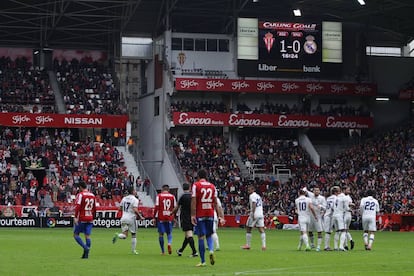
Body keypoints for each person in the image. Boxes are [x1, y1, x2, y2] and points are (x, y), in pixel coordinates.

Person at [191, 169, 225, 267]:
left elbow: (193, 201)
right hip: (210, 213)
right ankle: (210, 250)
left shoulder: (196, 185)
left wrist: (193, 215)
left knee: (200, 237)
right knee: (209, 235)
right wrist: (219, 216)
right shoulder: (212, 186)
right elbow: (215, 203)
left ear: (198, 176)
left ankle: (203, 261)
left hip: (200, 213)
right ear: (206, 176)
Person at [112, 186, 144, 254]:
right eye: (135, 190)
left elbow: (119, 209)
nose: (135, 191)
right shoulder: (135, 199)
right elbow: (135, 209)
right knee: (133, 234)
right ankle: (133, 251)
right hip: (131, 218)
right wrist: (140, 216)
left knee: (125, 236)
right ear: (132, 191)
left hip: (123, 218)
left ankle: (117, 235)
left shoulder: (124, 198)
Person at [171, 183, 198, 257]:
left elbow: (177, 207)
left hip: (185, 217)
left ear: (183, 188)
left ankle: (194, 252)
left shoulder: (182, 196)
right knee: (187, 235)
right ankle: (180, 250)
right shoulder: (192, 196)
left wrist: (172, 213)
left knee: (189, 234)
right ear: (189, 188)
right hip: (192, 216)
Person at [73, 181, 96, 259]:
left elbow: (78, 207)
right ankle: (86, 255)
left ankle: (85, 248)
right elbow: (94, 208)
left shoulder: (80, 195)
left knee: (76, 234)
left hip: (82, 217)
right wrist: (93, 217)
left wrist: (75, 217)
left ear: (80, 187)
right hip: (90, 217)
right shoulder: (92, 195)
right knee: (87, 236)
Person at [241, 185, 266, 251]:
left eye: (249, 190)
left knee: (248, 228)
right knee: (261, 229)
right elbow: (258, 205)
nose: (248, 191)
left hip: (255, 214)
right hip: (260, 213)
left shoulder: (252, 196)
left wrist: (253, 213)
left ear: (253, 190)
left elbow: (254, 204)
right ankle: (264, 246)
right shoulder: (258, 196)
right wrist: (250, 210)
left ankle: (248, 245)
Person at [153, 184, 176, 255]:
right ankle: (169, 243)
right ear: (168, 190)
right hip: (169, 217)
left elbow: (156, 207)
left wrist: (154, 217)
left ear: (162, 189)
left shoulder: (159, 196)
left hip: (161, 217)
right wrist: (174, 217)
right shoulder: (172, 196)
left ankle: (163, 251)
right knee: (169, 233)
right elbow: (175, 207)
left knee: (161, 234)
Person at [303, 187, 326, 251]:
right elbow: (305, 189)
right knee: (310, 231)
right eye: (315, 190)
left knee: (319, 231)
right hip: (310, 216)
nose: (316, 191)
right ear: (313, 191)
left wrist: (321, 207)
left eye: (317, 190)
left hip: (318, 216)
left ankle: (318, 246)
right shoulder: (311, 195)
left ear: (319, 191)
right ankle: (312, 243)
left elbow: (325, 207)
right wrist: (304, 191)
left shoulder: (322, 198)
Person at [332, 186, 348, 251]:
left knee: (337, 231)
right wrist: (351, 209)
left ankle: (335, 247)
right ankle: (341, 246)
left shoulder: (334, 198)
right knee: (343, 231)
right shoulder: (344, 197)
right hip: (340, 215)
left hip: (334, 215)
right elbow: (346, 208)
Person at [323, 186, 337, 251]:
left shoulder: (328, 198)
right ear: (336, 192)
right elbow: (333, 207)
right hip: (330, 216)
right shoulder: (336, 198)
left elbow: (325, 207)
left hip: (327, 215)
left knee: (328, 231)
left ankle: (328, 246)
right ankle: (326, 247)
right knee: (328, 232)